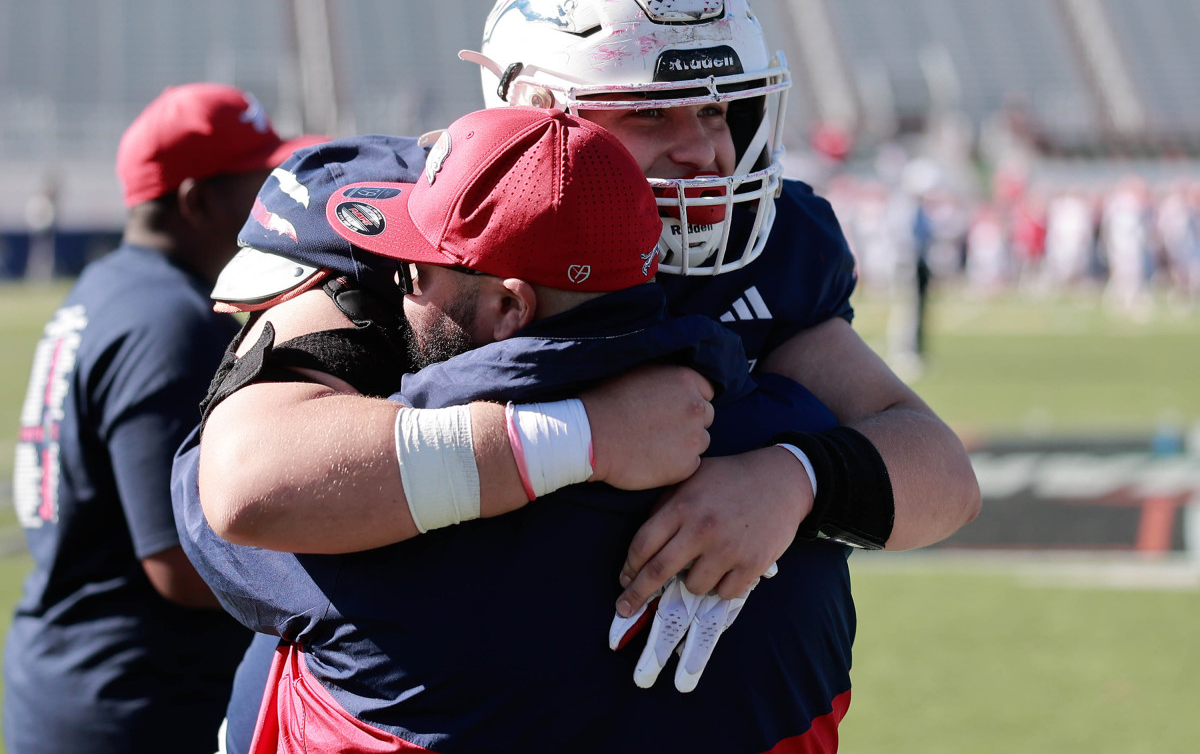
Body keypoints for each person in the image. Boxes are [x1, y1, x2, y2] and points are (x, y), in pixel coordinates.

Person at [192, 0, 979, 750]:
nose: (706, 151)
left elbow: (940, 471)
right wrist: (586, 437)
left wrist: (796, 479)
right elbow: (248, 480)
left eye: (716, 109)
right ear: (535, 112)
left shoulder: (770, 246)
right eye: (651, 113)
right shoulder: (400, 217)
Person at [175, 104, 849, 752]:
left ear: (507, 306)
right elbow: (918, 470)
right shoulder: (789, 446)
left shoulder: (369, 500)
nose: (404, 289)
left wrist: (312, 319)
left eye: (414, 270)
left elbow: (231, 494)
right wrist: (800, 476)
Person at [3, 83, 327, 754]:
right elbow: (179, 562)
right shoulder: (169, 320)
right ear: (197, 202)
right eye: (259, 181)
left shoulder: (111, 289)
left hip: (82, 677)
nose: (276, 200)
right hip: (135, 700)